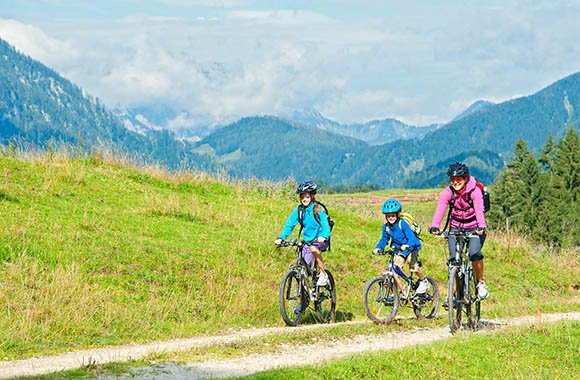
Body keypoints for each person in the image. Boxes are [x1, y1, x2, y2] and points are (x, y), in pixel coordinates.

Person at [429, 162, 489, 300]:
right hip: (456, 227)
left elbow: (479, 210)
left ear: (466, 178)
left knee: (474, 253)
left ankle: (480, 282)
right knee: (453, 261)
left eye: (459, 179)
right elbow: (440, 209)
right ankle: (453, 294)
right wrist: (435, 226)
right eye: (452, 180)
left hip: (474, 227)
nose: (455, 182)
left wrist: (481, 226)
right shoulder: (448, 192)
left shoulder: (474, 191)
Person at [275, 181, 331, 287]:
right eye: (302, 197)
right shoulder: (299, 210)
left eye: (307, 197)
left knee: (313, 249)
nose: (304, 199)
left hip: (320, 240)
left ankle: (323, 274)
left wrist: (324, 236)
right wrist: (281, 238)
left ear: (312, 196)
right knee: (304, 270)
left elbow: (325, 226)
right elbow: (290, 224)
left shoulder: (319, 209)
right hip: (307, 241)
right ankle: (304, 297)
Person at [373, 199, 430, 294]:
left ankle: (424, 281)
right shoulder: (386, 227)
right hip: (398, 249)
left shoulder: (402, 223)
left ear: (398, 214)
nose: (390, 218)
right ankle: (394, 294)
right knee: (395, 270)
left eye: (393, 215)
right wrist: (378, 248)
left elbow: (411, 238)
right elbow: (384, 239)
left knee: (413, 265)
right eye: (388, 216)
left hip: (411, 247)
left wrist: (407, 245)